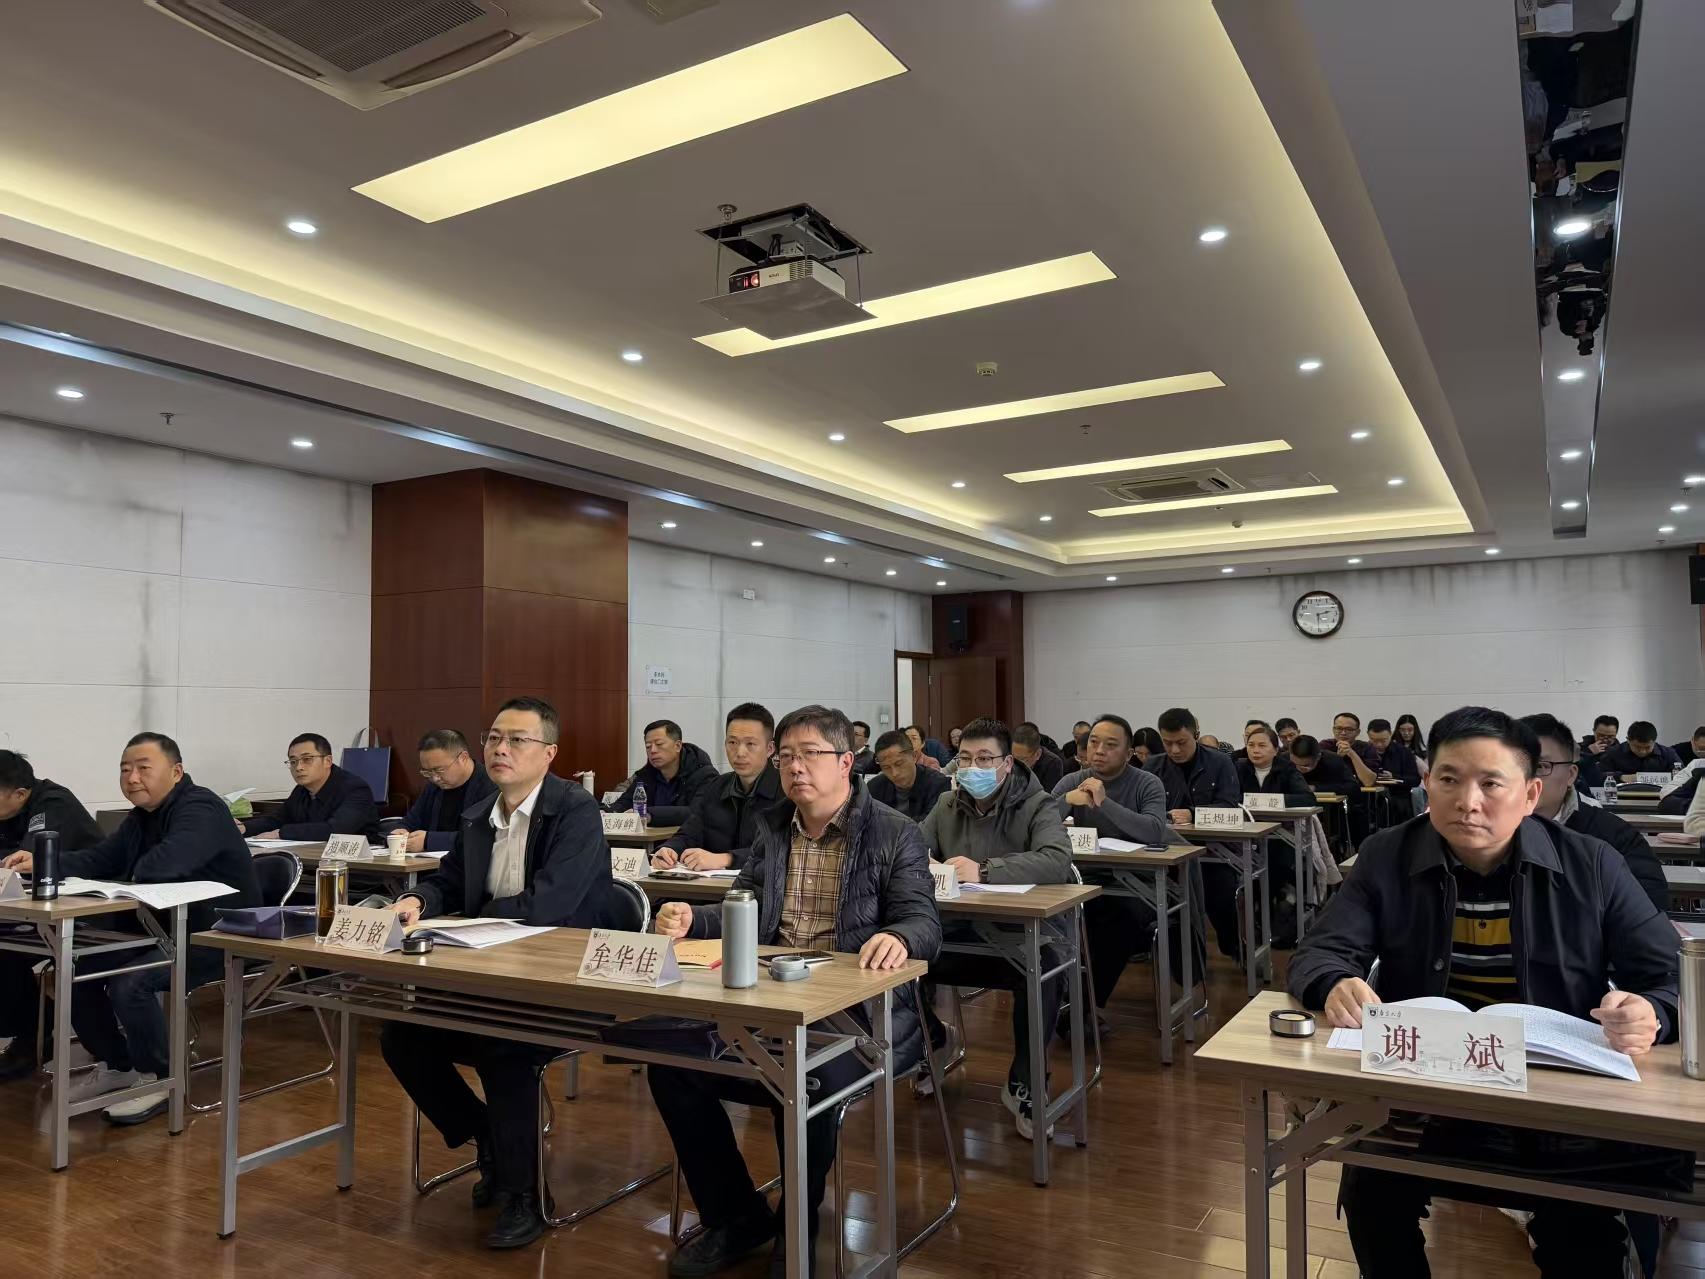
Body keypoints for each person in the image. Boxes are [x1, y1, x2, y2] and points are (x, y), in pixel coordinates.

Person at [1289, 706, 1681, 1277]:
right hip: (1427, 1091)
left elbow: (1671, 976)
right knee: (1371, 1194)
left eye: (1491, 784)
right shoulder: (1387, 854)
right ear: (1427, 784)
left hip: (1557, 1101)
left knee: (1581, 1236)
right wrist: (1333, 981)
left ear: (1530, 793)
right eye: (1448, 779)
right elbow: (1318, 951)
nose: (1467, 802)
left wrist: (1652, 1010)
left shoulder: (1592, 863)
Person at [648, 705, 939, 1279]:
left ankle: (798, 1225)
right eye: (786, 756)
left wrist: (900, 936)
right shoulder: (773, 827)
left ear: (846, 762)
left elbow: (924, 921)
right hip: (770, 1000)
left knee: (803, 1077)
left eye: (810, 754)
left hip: (859, 1016)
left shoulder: (895, 831)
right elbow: (743, 906)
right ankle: (736, 1217)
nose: (795, 767)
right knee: (672, 1066)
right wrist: (693, 920)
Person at [382, 697, 611, 1250]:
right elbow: (450, 880)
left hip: (566, 979)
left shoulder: (575, 811)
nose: (500, 749)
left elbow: (550, 905)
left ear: (549, 753)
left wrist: (471, 917)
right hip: (488, 971)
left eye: (517, 740)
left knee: (503, 1044)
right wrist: (419, 900)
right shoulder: (478, 814)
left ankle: (524, 1193)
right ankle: (487, 1136)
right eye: (493, 738)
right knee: (401, 1035)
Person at [0, 733, 259, 1109]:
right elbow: (101, 858)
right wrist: (44, 862)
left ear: (176, 771)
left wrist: (124, 873)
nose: (132, 778)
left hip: (216, 935)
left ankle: (160, 1079)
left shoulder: (201, 807)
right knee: (75, 970)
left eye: (143, 768)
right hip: (161, 929)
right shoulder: (141, 817)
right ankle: (117, 1066)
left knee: (131, 983)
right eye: (125, 769)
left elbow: (166, 864)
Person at [922, 718, 1072, 1137]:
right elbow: (913, 846)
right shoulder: (946, 804)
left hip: (1022, 936)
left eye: (985, 759)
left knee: (1044, 970)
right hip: (959, 930)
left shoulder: (1038, 803)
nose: (973, 767)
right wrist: (924, 862)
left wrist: (985, 870)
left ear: (1007, 763)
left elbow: (1056, 860)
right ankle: (933, 1039)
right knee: (896, 956)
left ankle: (1027, 1081)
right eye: (965, 758)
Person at [1054, 715, 1175, 1011]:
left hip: (1138, 882)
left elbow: (1154, 830)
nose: (1098, 751)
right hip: (1083, 880)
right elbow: (1036, 822)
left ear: (1129, 753)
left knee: (1118, 919)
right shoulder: (1073, 781)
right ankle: (1065, 1005)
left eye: (1110, 745)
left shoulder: (1147, 782)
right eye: (1093, 743)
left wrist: (1104, 802)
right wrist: (1067, 800)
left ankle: (1082, 1008)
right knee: (1056, 917)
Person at [1520, 713, 1667, 912]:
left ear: (1570, 775)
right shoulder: (1484, 835)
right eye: (1515, 765)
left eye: (1540, 766)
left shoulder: (1613, 836)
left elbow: (1648, 908)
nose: (1525, 777)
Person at [1147, 708, 1242, 957]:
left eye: (1181, 742)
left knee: (1220, 893)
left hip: (1212, 851)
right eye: (1167, 743)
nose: (1174, 750)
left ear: (1196, 735)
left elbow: (1230, 806)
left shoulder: (1220, 762)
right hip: (1166, 852)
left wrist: (1193, 813)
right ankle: (1177, 957)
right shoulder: (1153, 766)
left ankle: (1233, 947)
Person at [653, 703, 780, 872]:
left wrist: (727, 859)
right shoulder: (717, 786)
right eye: (732, 742)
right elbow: (690, 832)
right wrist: (669, 849)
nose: (740, 752)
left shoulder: (786, 791)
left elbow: (783, 848)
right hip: (710, 885)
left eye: (750, 744)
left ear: (770, 748)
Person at [241, 733, 381, 841]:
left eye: (307, 759)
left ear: (327, 761)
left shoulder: (355, 789)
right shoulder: (301, 790)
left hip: (360, 864)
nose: (298, 767)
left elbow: (336, 829)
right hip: (314, 857)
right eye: (293, 761)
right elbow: (276, 820)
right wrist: (244, 828)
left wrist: (281, 833)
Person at [393, 729, 495, 853]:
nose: (435, 778)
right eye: (427, 772)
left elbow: (482, 836)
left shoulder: (491, 786)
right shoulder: (434, 786)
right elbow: (410, 821)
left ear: (463, 758)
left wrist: (429, 841)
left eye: (439, 770)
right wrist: (400, 831)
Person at [608, 719, 719, 826]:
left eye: (659, 744)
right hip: (650, 837)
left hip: (687, 838)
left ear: (677, 746)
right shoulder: (646, 774)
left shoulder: (704, 775)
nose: (652, 750)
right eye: (648, 746)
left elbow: (698, 811)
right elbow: (624, 803)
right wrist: (605, 812)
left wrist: (649, 814)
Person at [0, 750, 102, 857]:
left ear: (20, 794)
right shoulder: (7, 810)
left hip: (89, 867)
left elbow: (29, 858)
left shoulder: (54, 804)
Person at [866, 728, 951, 821]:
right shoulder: (874, 787)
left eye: (899, 764)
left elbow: (930, 824)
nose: (894, 773)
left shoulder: (938, 784)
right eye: (886, 767)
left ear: (914, 756)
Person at [1236, 725, 1314, 805]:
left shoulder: (1287, 769)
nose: (1255, 750)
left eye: (1262, 745)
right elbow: (1231, 796)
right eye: (1251, 745)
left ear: (1276, 750)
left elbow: (1308, 798)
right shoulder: (1238, 768)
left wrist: (1271, 800)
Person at [1599, 720, 1681, 777]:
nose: (1642, 751)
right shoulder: (1613, 753)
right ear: (1628, 740)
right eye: (1637, 747)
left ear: (1654, 742)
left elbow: (1683, 777)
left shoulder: (1668, 754)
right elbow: (1598, 776)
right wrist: (1621, 777)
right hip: (1623, 795)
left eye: (1647, 747)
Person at [1010, 721, 1065, 791]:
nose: (1015, 764)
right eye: (1014, 757)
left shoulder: (1053, 763)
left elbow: (1049, 796)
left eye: (1022, 759)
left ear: (1037, 754)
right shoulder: (1008, 758)